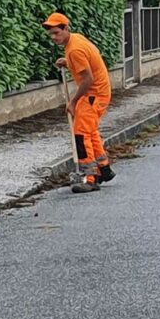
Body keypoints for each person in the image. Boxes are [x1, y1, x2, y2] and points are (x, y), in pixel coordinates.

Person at [43, 12, 115, 193]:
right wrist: (67, 63)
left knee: (81, 135)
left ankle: (90, 178)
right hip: (100, 92)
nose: (53, 37)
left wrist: (73, 102)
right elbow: (86, 62)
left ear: (66, 29)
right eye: (51, 34)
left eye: (56, 33)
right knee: (90, 131)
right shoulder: (75, 40)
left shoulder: (74, 49)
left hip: (93, 94)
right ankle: (104, 169)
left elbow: (88, 79)